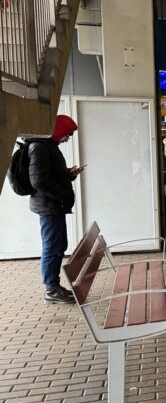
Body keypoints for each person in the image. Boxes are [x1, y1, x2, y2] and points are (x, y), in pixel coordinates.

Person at [28, 115, 82, 304]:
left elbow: (49, 176)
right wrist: (62, 194)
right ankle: (51, 289)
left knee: (59, 246)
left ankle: (54, 286)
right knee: (52, 247)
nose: (68, 138)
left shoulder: (48, 147)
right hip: (49, 206)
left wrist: (68, 175)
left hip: (53, 206)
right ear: (59, 130)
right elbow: (39, 180)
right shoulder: (40, 148)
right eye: (68, 133)